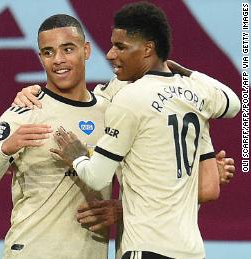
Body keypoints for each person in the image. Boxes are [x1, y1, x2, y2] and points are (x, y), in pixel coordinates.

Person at [50, 2, 240, 259]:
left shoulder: (128, 99)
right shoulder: (197, 96)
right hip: (191, 251)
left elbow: (96, 177)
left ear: (148, 48)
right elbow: (234, 103)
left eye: (120, 47)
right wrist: (185, 71)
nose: (110, 55)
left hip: (147, 246)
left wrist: (77, 155)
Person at [0, 14, 114, 258]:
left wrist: (121, 209)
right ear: (40, 57)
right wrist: (5, 150)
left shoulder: (111, 111)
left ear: (86, 50)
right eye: (48, 52)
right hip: (32, 250)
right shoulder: (23, 113)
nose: (58, 60)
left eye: (68, 49)